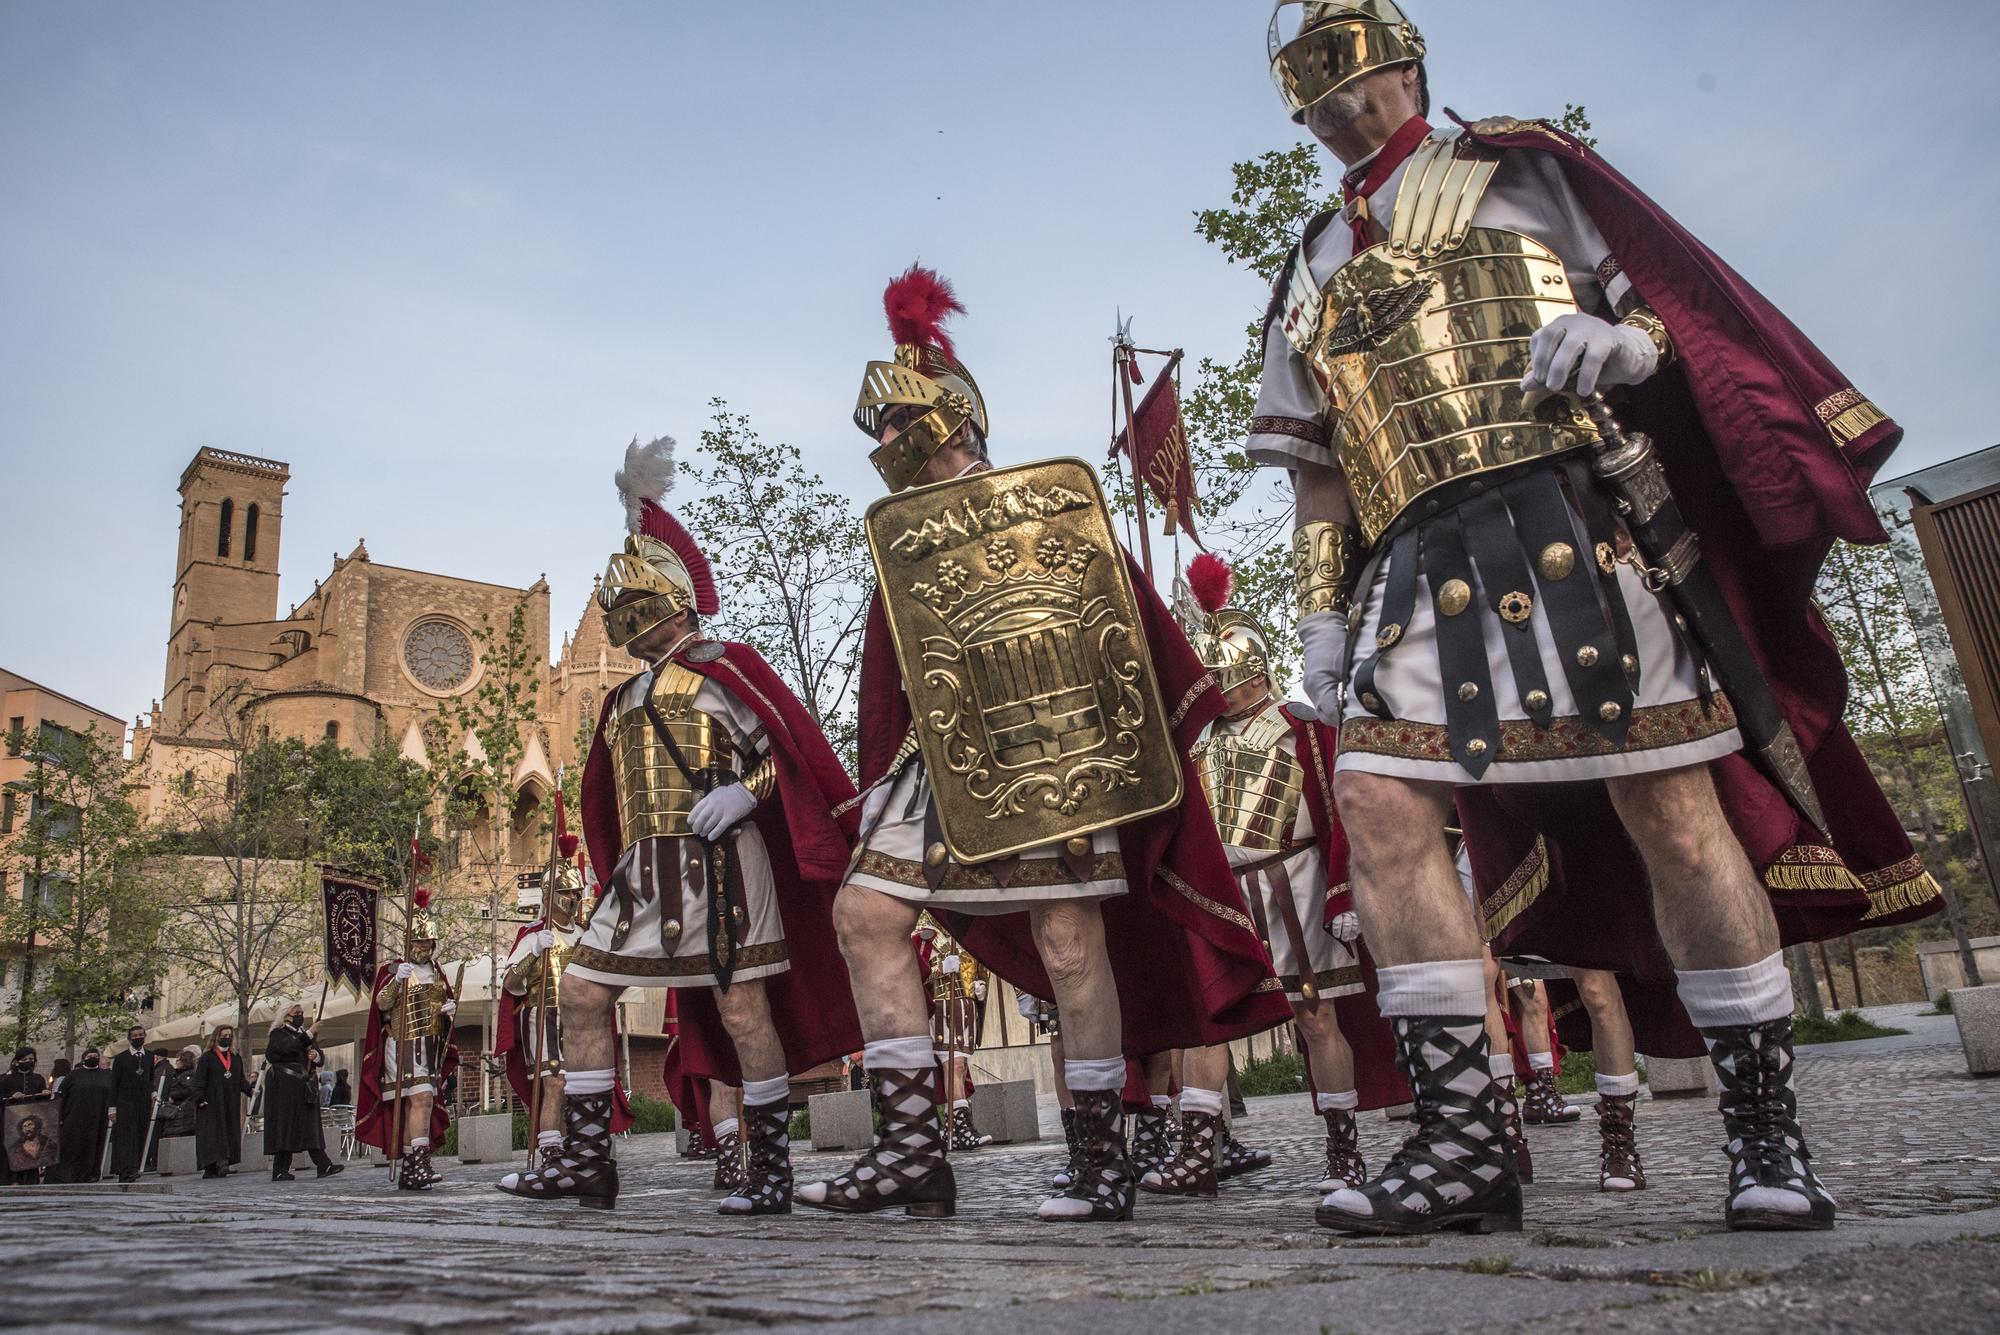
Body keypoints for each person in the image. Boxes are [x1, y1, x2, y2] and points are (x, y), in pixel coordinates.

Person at [1252, 1, 1937, 1235]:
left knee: (1669, 808)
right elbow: (1320, 469)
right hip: (1407, 561)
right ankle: (1463, 1147)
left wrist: (1626, 341)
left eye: (1349, 59)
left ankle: (1762, 1136)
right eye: (1304, 74)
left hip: (1572, 520)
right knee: (1373, 802)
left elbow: (1685, 312)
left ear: (1406, 59)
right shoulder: (1303, 262)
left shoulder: (1519, 170)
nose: (1331, 90)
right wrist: (1318, 614)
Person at [805, 266, 1289, 1223]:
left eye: (899, 423)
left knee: (1071, 942)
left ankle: (1104, 1157)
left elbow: (1130, 632)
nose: (887, 443)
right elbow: (896, 674)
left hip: (1056, 754)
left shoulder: (1048, 505)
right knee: (864, 914)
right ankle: (911, 1153)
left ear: (951, 419)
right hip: (939, 770)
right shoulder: (902, 539)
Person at [500, 434, 865, 1215]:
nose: (629, 615)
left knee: (743, 1010)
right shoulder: (621, 698)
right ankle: (587, 1160)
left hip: (722, 863)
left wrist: (745, 794)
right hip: (640, 874)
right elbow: (606, 802)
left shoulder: (726, 667)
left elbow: (787, 754)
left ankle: (767, 1165)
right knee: (585, 991)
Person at [1145, 554, 1406, 1199]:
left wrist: (1344, 890)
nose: (1219, 693)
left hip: (1297, 886)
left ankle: (1343, 1151)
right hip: (1228, 896)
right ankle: (1199, 1154)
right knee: (1218, 1016)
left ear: (1254, 669)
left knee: (1316, 1017)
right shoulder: (1196, 745)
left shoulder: (1304, 729)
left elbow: (1340, 811)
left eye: (1226, 679)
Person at [498, 792, 594, 1173]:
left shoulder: (584, 936)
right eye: (568, 892)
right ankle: (550, 1149)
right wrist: (532, 953)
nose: (574, 898)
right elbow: (510, 982)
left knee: (579, 1084)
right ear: (553, 894)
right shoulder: (532, 934)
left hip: (579, 1019)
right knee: (553, 1082)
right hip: (543, 1016)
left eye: (576, 892)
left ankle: (577, 1142)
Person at [355, 888, 459, 1190]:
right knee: (420, 1098)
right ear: (408, 942)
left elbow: (442, 1006)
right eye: (417, 939)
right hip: (402, 1044)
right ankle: (416, 1163)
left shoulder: (437, 972)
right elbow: (382, 1005)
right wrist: (397, 981)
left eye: (427, 940)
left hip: (429, 1044)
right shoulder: (394, 969)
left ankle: (415, 1163)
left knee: (423, 1100)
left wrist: (449, 1010)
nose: (423, 945)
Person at [913, 917, 992, 1152]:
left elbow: (976, 960)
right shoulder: (922, 924)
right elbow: (912, 967)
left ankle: (956, 1128)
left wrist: (978, 982)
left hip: (963, 1004)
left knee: (959, 1066)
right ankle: (958, 1128)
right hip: (939, 1004)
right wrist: (938, 970)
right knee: (953, 1065)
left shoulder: (961, 922)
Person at [264, 1003, 342, 1181]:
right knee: (287, 1125)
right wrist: (308, 1034)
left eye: (301, 1013)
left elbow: (319, 1056)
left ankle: (324, 1164)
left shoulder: (304, 1034)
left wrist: (316, 1056)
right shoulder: (279, 1034)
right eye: (296, 1013)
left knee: (310, 1126)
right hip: (286, 1088)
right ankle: (280, 1168)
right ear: (286, 1016)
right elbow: (287, 1048)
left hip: (306, 1086)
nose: (300, 1016)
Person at [194, 1027, 252, 1178]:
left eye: (229, 1035)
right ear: (217, 1037)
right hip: (212, 1101)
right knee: (214, 1133)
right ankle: (214, 1164)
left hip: (230, 1102)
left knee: (228, 1130)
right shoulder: (207, 1058)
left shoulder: (235, 1057)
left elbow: (241, 1080)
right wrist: (199, 1098)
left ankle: (224, 1162)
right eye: (224, 1035)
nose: (227, 1038)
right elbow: (199, 1080)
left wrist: (251, 1090)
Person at [49, 1046, 113, 1183]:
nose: (93, 1059)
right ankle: (67, 1174)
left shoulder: (107, 1075)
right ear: (83, 1059)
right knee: (73, 1145)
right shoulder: (74, 1075)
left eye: (95, 1057)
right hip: (74, 1117)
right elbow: (61, 1096)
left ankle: (90, 1173)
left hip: (97, 1117)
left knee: (93, 1146)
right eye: (90, 1057)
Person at [109, 1026, 159, 1182]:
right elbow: (114, 1083)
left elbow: (150, 1078)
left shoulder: (149, 1056)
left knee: (139, 1134)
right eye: (135, 1036)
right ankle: (125, 1168)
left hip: (142, 1102)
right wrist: (112, 1108)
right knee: (125, 1137)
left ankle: (134, 1167)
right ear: (129, 1038)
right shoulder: (121, 1058)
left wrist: (153, 1092)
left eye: (140, 1035)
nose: (138, 1038)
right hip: (125, 1102)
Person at [157, 1047, 202, 1144]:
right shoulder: (179, 1074)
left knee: (177, 1141)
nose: (176, 1062)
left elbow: (189, 1089)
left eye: (178, 1059)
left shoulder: (186, 1075)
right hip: (180, 1116)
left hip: (181, 1115)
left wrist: (172, 1096)